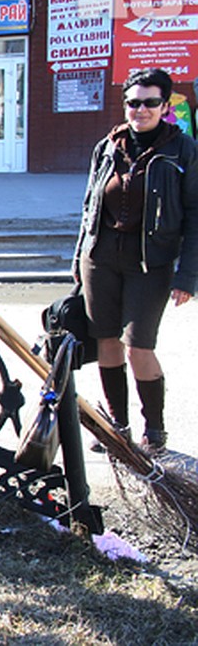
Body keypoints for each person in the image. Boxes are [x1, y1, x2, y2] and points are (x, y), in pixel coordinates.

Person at [73, 68, 198, 453]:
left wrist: (187, 275)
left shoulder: (183, 150)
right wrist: (79, 257)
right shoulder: (108, 146)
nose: (140, 110)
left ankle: (154, 429)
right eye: (133, 102)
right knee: (106, 341)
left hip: (151, 263)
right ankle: (118, 425)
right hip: (102, 259)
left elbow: (195, 214)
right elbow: (89, 205)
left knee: (139, 346)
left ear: (165, 106)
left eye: (150, 102)